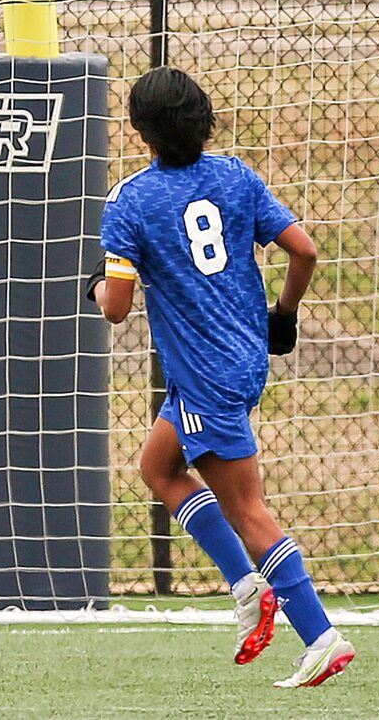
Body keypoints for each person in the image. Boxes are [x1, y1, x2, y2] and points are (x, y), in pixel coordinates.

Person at [88, 66, 355, 688]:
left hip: (205, 377)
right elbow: (306, 250)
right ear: (205, 119)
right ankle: (245, 586)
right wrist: (283, 314)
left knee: (249, 510)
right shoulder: (236, 176)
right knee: (158, 467)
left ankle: (320, 635)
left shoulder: (131, 200)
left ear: (139, 133)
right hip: (239, 361)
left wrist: (96, 284)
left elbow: (117, 307)